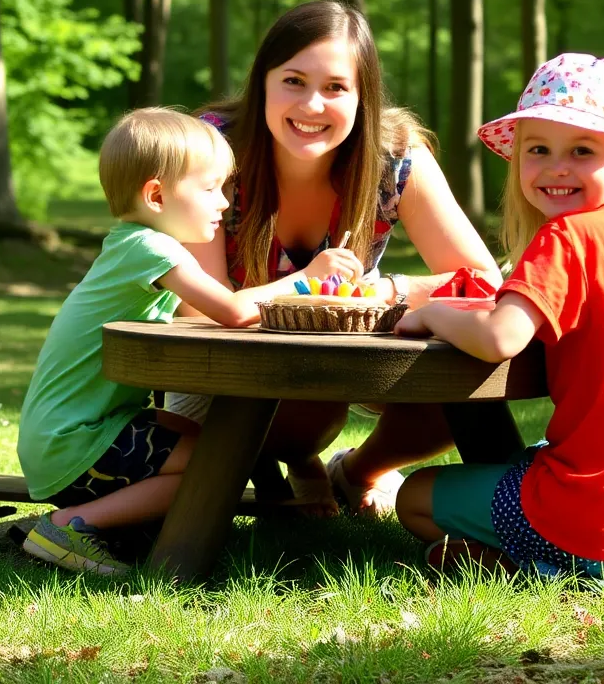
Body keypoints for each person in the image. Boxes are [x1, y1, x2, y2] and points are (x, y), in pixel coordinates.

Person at [393, 53, 604, 579]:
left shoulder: (569, 236)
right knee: (521, 463)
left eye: (581, 150)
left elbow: (501, 337)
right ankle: (522, 553)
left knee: (414, 496)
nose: (556, 166)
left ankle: (528, 562)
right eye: (538, 149)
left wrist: (436, 313)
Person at [168, 0, 502, 514]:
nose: (313, 106)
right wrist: (304, 284)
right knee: (306, 406)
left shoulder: (395, 156)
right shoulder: (213, 148)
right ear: (262, 83)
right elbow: (197, 311)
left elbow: (481, 280)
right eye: (294, 81)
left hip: (349, 363)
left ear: (362, 96)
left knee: (466, 375)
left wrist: (389, 290)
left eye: (336, 88)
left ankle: (358, 471)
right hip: (229, 373)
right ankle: (298, 463)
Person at [18, 108, 362, 575]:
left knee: (217, 443)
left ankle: (273, 513)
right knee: (214, 468)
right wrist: (306, 277)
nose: (225, 203)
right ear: (156, 195)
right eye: (211, 189)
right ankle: (69, 526)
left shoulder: (134, 246)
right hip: (75, 443)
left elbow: (218, 311)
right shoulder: (150, 249)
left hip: (74, 433)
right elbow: (236, 311)